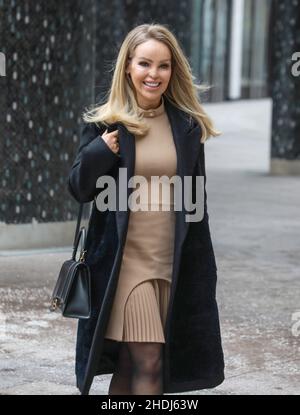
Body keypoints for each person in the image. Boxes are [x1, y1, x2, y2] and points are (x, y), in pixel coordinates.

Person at [68, 23, 224, 396]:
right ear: (128, 67)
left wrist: (202, 269)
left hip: (169, 263)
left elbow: (195, 203)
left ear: (174, 71)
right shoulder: (109, 124)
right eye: (144, 64)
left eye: (164, 66)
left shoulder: (186, 126)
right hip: (127, 264)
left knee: (131, 363)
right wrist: (101, 150)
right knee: (151, 360)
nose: (154, 74)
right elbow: (79, 189)